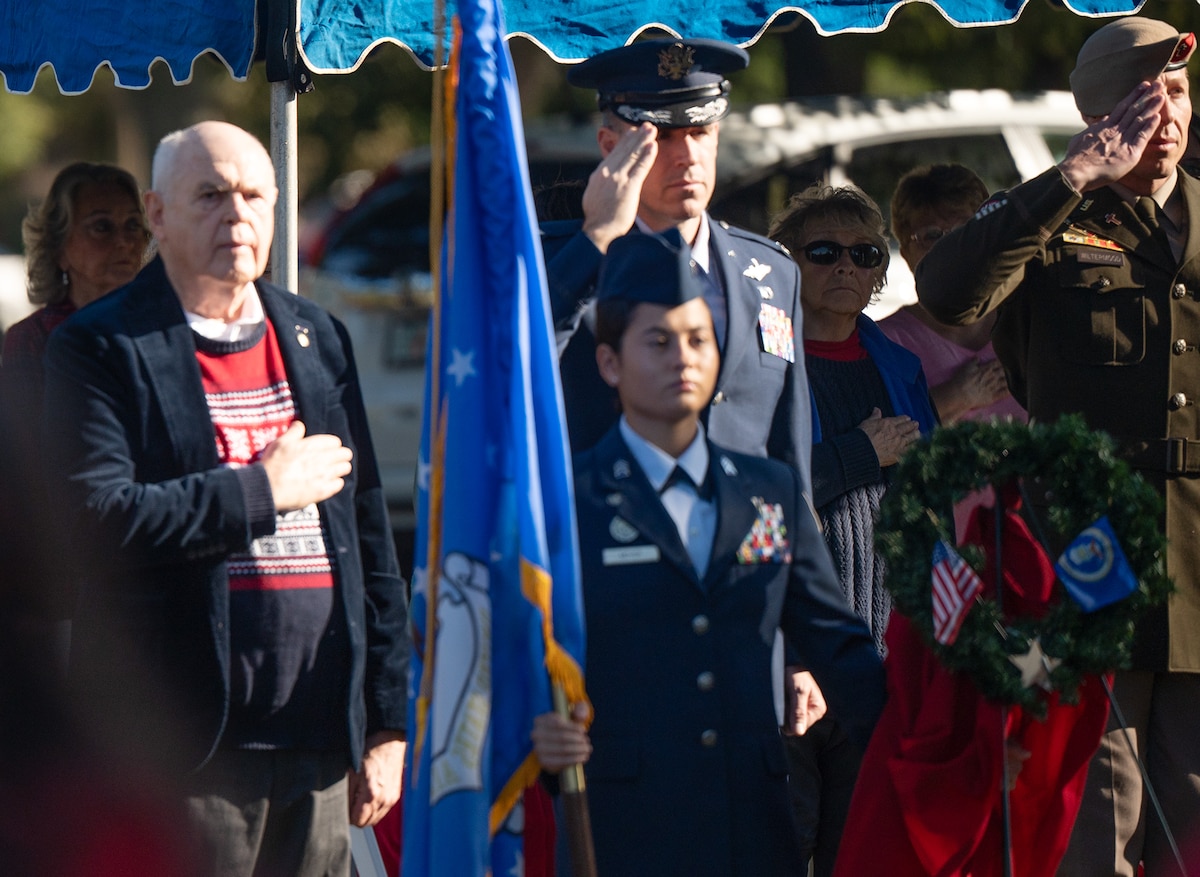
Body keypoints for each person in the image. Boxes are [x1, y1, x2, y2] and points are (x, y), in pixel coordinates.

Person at [43, 121, 410, 876]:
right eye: (209, 195)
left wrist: (387, 720)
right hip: (181, 753)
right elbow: (94, 520)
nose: (236, 214)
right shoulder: (99, 346)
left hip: (316, 739)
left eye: (252, 195)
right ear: (158, 214)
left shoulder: (317, 335)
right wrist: (262, 491)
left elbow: (368, 538)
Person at [916, 17, 1200, 876]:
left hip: (1196, 561)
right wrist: (1071, 174)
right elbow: (948, 294)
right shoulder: (1050, 215)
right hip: (1088, 557)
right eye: (1146, 97)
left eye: (1181, 91)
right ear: (1099, 116)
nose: (1169, 113)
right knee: (1094, 821)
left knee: (1190, 825)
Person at [531, 230, 885, 877]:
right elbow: (520, 647)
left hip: (749, 827)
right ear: (609, 363)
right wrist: (535, 729)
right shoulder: (569, 502)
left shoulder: (768, 493)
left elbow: (839, 646)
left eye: (698, 340)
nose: (684, 360)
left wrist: (935, 741)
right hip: (624, 826)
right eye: (659, 342)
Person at [544, 38, 814, 499]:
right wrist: (596, 240)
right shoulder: (561, 265)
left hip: (742, 556)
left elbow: (789, 457)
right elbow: (511, 366)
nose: (686, 156)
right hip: (617, 549)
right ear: (611, 146)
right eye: (662, 137)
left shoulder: (772, 272)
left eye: (700, 133)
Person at [768, 183, 937, 877]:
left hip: (881, 653)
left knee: (859, 849)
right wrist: (858, 452)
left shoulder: (897, 364)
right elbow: (759, 495)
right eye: (823, 251)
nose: (845, 266)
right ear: (787, 262)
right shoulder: (761, 359)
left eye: (864, 253)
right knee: (783, 841)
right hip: (791, 650)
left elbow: (924, 497)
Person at [880, 163, 1027, 538]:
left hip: (1030, 539)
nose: (950, 246)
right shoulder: (888, 341)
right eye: (932, 234)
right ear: (905, 246)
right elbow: (879, 445)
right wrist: (956, 397)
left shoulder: (1026, 324)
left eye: (964, 230)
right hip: (941, 550)